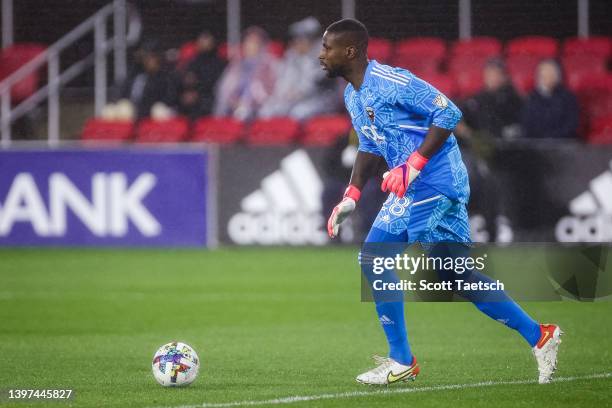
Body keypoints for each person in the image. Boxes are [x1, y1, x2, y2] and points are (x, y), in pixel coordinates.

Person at [320, 18, 562, 385]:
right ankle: (404, 359)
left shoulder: (391, 81)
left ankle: (537, 335)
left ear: (349, 51)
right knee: (384, 260)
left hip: (436, 183)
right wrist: (351, 195)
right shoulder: (353, 95)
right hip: (410, 187)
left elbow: (448, 112)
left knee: (447, 271)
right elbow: (370, 145)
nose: (321, 55)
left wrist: (412, 167)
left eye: (327, 48)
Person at [258, 17, 339, 121]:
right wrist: (285, 94)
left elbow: (315, 84)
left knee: (298, 113)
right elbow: (285, 80)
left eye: (301, 39)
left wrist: (297, 93)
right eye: (296, 39)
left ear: (311, 39)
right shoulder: (293, 56)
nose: (297, 43)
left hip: (324, 99)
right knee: (269, 111)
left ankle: (301, 137)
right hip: (301, 99)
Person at [213, 27, 278, 121]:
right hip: (235, 104)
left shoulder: (269, 64)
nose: (249, 46)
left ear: (261, 45)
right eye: (247, 42)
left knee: (242, 113)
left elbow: (271, 91)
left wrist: (247, 102)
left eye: (254, 43)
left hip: (258, 106)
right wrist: (233, 101)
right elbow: (225, 88)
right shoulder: (236, 64)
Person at [460, 58, 523, 140]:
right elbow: (457, 117)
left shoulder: (514, 99)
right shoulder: (477, 98)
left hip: (506, 146)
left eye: (496, 74)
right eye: (489, 74)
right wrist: (469, 134)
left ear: (504, 77)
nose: (492, 78)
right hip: (479, 146)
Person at [522, 59, 579, 139]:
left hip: (561, 143)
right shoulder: (531, 97)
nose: (547, 77)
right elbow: (527, 124)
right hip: (535, 144)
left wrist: (551, 138)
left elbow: (571, 125)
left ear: (558, 77)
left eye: (550, 74)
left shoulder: (568, 97)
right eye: (543, 75)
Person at [119, 42, 177, 119]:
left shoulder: (166, 77)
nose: (148, 60)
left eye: (152, 57)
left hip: (156, 114)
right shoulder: (137, 75)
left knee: (158, 110)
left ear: (158, 58)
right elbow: (124, 94)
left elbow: (168, 100)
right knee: (119, 108)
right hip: (137, 112)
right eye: (146, 57)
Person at [178, 31, 226, 119]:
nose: (203, 42)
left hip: (210, 100)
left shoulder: (220, 63)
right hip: (191, 101)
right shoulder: (192, 62)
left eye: (206, 38)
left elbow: (217, 86)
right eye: (201, 38)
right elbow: (185, 82)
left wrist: (198, 95)